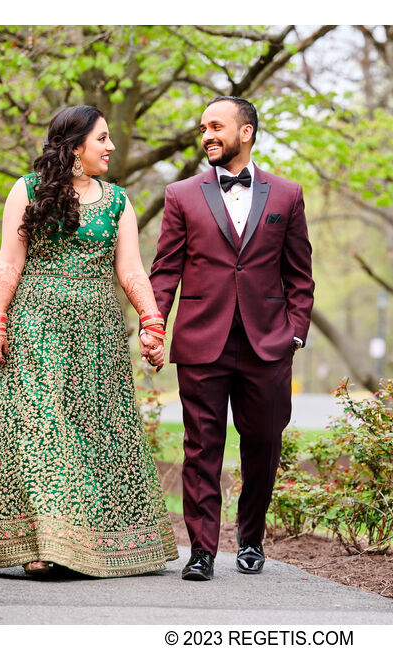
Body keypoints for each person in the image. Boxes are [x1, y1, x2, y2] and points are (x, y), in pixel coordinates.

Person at [0, 105, 178, 577]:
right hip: (35, 325)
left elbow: (130, 269)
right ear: (75, 145)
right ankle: (47, 546)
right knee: (43, 430)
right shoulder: (27, 189)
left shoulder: (119, 200)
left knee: (93, 433)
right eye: (102, 138)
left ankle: (92, 543)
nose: (111, 146)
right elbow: (8, 262)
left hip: (98, 333)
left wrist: (151, 319)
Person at [148, 96, 314, 580]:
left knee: (263, 443)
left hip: (268, 344)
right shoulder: (180, 194)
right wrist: (154, 324)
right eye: (203, 128)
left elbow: (300, 276)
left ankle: (251, 540)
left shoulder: (287, 195)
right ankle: (201, 551)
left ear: (246, 132)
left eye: (216, 127)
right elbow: (166, 270)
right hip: (202, 341)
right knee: (201, 447)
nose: (207, 136)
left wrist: (294, 336)